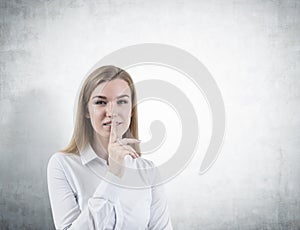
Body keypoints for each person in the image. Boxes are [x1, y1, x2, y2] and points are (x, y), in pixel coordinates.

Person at [47, 65, 173, 230]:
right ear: (86, 110)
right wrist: (114, 175)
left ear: (132, 110)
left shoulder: (148, 171)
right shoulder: (62, 165)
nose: (112, 112)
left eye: (122, 101)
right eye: (100, 102)